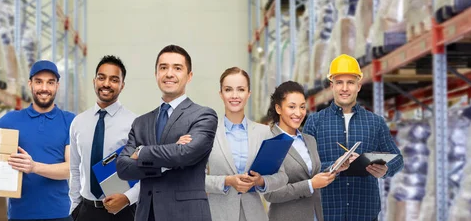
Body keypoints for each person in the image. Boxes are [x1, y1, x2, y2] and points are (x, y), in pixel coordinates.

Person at [0, 60, 75, 221]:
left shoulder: (69, 121)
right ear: (30, 84)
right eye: (39, 82)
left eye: (50, 83)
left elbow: (71, 168)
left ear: (57, 86)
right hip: (20, 215)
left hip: (59, 215)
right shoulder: (12, 120)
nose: (44, 88)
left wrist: (34, 167)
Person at [116, 44, 218, 221]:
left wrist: (142, 153)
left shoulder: (203, 115)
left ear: (189, 76)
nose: (169, 73)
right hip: (146, 214)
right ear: (156, 74)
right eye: (163, 68)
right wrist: (168, 160)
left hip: (187, 214)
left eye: (177, 68)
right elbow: (123, 168)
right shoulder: (141, 122)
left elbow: (185, 154)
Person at [303, 54, 404, 221]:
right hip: (327, 212)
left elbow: (397, 158)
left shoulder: (375, 122)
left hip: (364, 212)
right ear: (332, 86)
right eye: (339, 82)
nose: (344, 88)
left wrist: (386, 169)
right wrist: (333, 166)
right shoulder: (315, 122)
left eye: (350, 82)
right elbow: (304, 165)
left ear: (359, 86)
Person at [198, 67, 286, 221]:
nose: (234, 95)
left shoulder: (263, 132)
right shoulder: (208, 134)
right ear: (221, 94)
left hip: (255, 215)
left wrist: (261, 181)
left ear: (248, 94)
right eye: (228, 90)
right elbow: (195, 179)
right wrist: (226, 181)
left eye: (240, 89)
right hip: (218, 215)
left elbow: (282, 177)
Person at [263, 81, 356, 221]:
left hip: (315, 215)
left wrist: (335, 167)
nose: (298, 113)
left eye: (302, 107)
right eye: (292, 107)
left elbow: (312, 175)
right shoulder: (271, 141)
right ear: (278, 108)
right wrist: (310, 185)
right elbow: (271, 193)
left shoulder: (309, 140)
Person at [69, 55, 140, 221]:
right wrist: (75, 208)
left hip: (123, 211)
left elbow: (146, 173)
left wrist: (127, 198)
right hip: (86, 211)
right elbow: (74, 168)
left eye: (114, 79)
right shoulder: (78, 122)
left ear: (122, 85)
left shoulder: (135, 123)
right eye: (102, 78)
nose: (106, 84)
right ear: (94, 81)